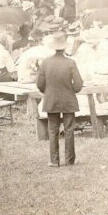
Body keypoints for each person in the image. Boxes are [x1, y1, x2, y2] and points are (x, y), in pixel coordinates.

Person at [36, 32, 84, 167]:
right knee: (69, 130)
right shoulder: (70, 62)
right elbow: (79, 84)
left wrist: (48, 91)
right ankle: (70, 161)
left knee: (53, 130)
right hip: (68, 99)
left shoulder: (45, 63)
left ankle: (54, 161)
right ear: (64, 48)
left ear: (53, 47)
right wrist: (70, 89)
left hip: (51, 100)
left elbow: (39, 84)